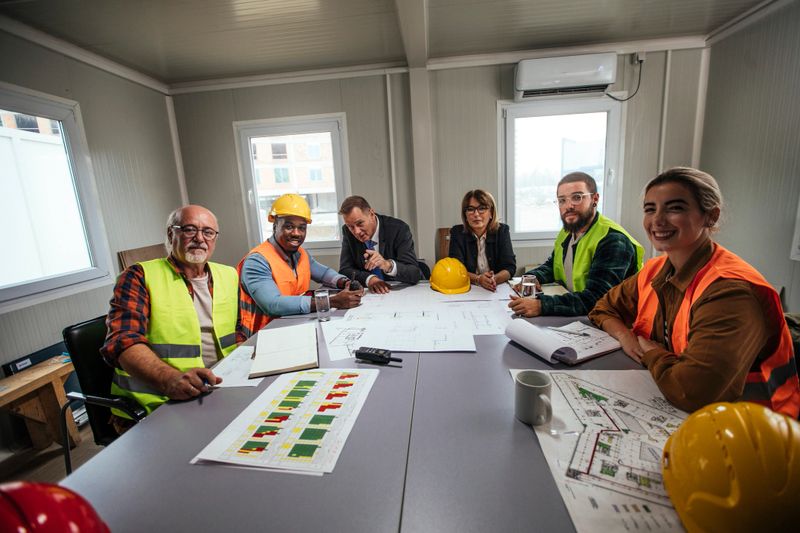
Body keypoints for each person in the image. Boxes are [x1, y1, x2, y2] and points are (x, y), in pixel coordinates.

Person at [589, 167, 800, 416]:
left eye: (675, 208)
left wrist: (653, 353)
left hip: (753, 426)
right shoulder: (657, 269)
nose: (657, 220)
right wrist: (626, 337)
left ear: (710, 217)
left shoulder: (730, 291)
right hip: (680, 407)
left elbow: (690, 392)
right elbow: (602, 308)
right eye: (650, 209)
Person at [101, 205, 240, 429]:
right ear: (170, 234)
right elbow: (122, 341)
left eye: (208, 232)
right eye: (189, 230)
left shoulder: (229, 275)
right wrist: (169, 380)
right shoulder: (139, 276)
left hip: (220, 389)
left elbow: (238, 330)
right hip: (158, 402)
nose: (199, 238)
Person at [509, 172, 643, 317]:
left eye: (577, 197)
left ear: (595, 199)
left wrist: (542, 305)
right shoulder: (568, 232)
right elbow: (554, 265)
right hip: (581, 315)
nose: (569, 206)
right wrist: (533, 277)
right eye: (562, 200)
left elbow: (596, 299)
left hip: (616, 323)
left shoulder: (613, 240)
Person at [238, 194, 362, 338]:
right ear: (275, 226)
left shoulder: (300, 254)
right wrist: (330, 302)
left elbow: (324, 273)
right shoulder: (257, 261)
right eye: (289, 226)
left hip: (294, 328)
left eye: (302, 228)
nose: (296, 233)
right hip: (263, 338)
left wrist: (345, 282)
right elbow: (273, 304)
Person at [338, 195, 421, 294]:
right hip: (371, 295)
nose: (356, 231)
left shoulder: (399, 229)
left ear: (371, 214)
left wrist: (387, 265)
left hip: (400, 292)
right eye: (351, 227)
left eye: (360, 223)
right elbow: (345, 270)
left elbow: (414, 273)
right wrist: (370, 279)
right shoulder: (347, 231)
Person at [448, 189, 516, 291]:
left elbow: (509, 267)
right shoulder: (457, 233)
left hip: (496, 289)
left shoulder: (502, 231)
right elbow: (456, 270)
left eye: (482, 208)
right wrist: (478, 279)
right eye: (470, 209)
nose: (476, 214)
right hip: (468, 289)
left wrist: (494, 280)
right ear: (465, 215)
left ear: (491, 213)